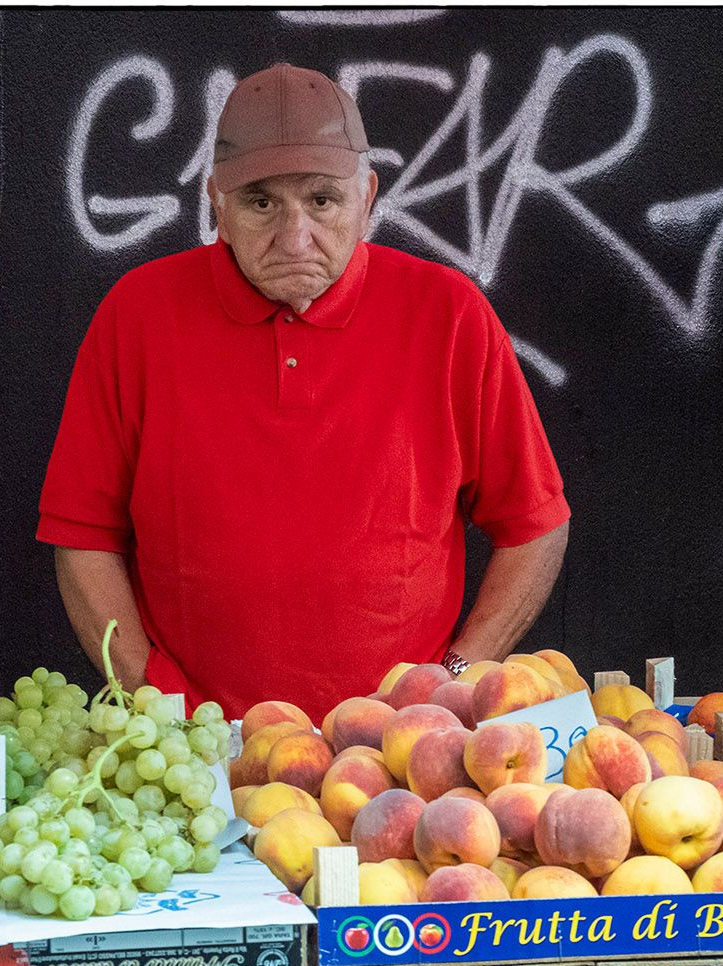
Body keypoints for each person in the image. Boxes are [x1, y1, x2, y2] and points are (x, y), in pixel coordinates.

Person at [37, 63, 570, 722]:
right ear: (217, 205)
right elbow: (83, 533)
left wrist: (452, 682)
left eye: (322, 200)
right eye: (261, 202)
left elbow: (535, 525)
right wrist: (154, 699)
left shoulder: (449, 315)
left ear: (367, 198)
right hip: (200, 741)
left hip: (396, 745)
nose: (294, 239)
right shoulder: (138, 315)